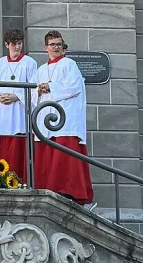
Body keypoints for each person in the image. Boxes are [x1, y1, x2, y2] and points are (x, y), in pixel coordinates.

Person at [31, 30, 93, 205]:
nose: (55, 47)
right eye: (52, 44)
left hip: (65, 120)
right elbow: (31, 92)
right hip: (45, 119)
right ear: (46, 48)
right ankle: (46, 189)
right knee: (46, 155)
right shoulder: (41, 69)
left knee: (64, 156)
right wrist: (38, 90)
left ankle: (66, 191)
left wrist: (50, 87)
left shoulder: (69, 64)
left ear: (63, 47)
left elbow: (74, 87)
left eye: (58, 44)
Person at [0, 29, 37, 182]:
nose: (17, 47)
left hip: (19, 112)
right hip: (2, 113)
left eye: (20, 43)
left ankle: (19, 181)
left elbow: (34, 88)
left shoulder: (30, 63)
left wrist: (17, 96)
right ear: (6, 44)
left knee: (18, 149)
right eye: (14, 44)